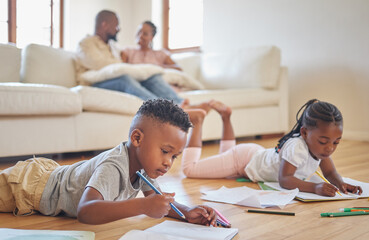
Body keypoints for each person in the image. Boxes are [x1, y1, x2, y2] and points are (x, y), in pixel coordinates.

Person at [0, 99, 217, 226]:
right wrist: (142, 206)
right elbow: (86, 211)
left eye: (174, 156)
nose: (168, 162)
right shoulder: (114, 166)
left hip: (53, 176)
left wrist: (187, 212)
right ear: (137, 138)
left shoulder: (146, 167)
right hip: (29, 187)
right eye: (165, 151)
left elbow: (157, 201)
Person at [181, 99, 363, 197]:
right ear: (305, 133)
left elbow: (331, 173)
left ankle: (226, 117)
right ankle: (196, 121)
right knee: (190, 169)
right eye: (324, 141)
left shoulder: (320, 149)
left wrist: (341, 184)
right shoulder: (297, 147)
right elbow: (285, 180)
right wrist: (314, 188)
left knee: (223, 158)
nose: (330, 148)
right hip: (242, 160)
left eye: (336, 142)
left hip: (253, 155)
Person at [75, 10, 185, 106]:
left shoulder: (112, 46)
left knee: (150, 78)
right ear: (105, 25)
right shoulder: (86, 43)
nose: (118, 29)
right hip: (95, 83)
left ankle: (179, 104)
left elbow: (119, 66)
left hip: (112, 80)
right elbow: (100, 64)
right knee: (124, 80)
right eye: (116, 26)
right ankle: (164, 109)